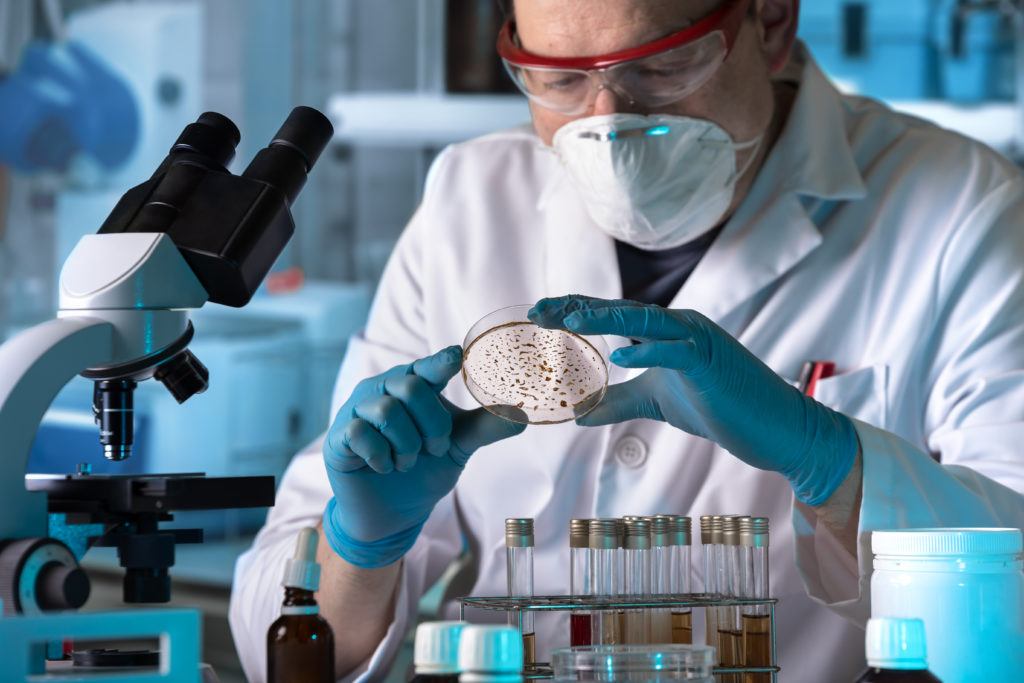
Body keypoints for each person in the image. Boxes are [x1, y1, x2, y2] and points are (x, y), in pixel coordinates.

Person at [229, 0, 1024, 680]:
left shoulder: (960, 205)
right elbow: (284, 649)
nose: (608, 124)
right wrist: (361, 548)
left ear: (771, 22)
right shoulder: (469, 199)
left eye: (660, 67)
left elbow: (1017, 597)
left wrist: (832, 459)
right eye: (561, 79)